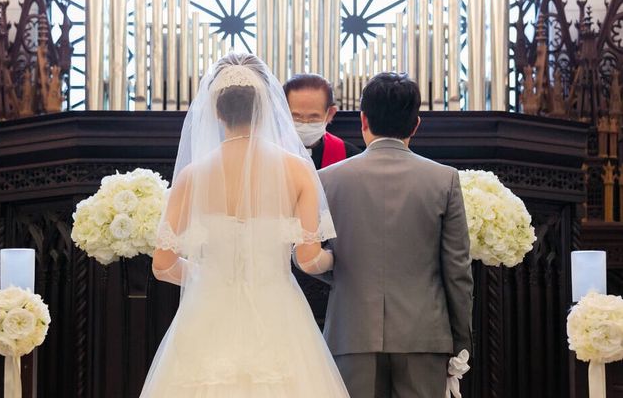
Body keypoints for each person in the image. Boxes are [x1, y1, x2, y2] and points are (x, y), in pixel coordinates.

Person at [139, 53, 350, 397]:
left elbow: (162, 266)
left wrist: (207, 274)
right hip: (276, 309)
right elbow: (309, 258)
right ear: (265, 109)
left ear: (216, 111)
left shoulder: (191, 176)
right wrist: (335, 259)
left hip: (208, 311)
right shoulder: (297, 170)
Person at [317, 72, 473, 398]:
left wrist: (347, 275)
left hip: (351, 333)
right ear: (415, 124)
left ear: (363, 119)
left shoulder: (327, 179)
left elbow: (308, 256)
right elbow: (457, 271)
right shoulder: (444, 179)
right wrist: (461, 342)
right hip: (424, 336)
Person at [284, 74, 361, 169]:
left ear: (330, 114)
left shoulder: (350, 157)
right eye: (296, 117)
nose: (305, 123)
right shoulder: (270, 152)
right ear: (284, 112)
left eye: (313, 118)